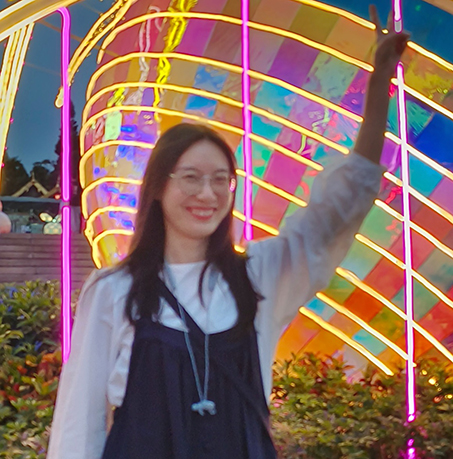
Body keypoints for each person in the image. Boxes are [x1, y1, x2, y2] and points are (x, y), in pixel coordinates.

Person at [47, 7, 409, 459]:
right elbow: (79, 426)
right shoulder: (114, 290)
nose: (208, 193)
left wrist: (378, 86)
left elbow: (338, 210)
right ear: (158, 187)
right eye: (191, 178)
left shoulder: (259, 276)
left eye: (222, 179)